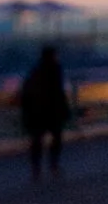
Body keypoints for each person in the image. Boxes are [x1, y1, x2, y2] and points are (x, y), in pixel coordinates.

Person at [19, 47, 70, 180]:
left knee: (37, 140)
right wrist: (65, 110)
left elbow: (27, 92)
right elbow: (59, 92)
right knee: (56, 138)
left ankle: (36, 169)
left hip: (37, 112)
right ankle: (53, 166)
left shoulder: (35, 71)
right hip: (53, 111)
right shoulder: (56, 70)